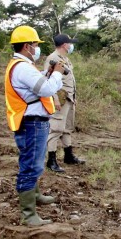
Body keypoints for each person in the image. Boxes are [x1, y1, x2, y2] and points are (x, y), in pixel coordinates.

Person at [4, 25, 64, 226]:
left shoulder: (21, 66)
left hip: (31, 122)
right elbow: (46, 90)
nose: (37, 48)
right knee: (31, 165)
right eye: (36, 44)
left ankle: (35, 196)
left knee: (33, 161)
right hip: (32, 123)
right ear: (27, 46)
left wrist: (46, 72)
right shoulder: (22, 67)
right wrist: (56, 74)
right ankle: (28, 215)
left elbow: (35, 86)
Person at [44, 33, 85, 172]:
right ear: (64, 45)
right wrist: (54, 98)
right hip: (60, 99)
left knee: (67, 128)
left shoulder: (65, 59)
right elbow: (48, 80)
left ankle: (69, 155)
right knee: (56, 128)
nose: (71, 45)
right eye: (69, 43)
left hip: (69, 97)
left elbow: (69, 80)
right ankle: (51, 160)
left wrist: (74, 97)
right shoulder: (53, 58)